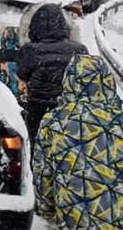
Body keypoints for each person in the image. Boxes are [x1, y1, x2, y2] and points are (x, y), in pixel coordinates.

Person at [33, 55, 123, 229]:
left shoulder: (55, 121)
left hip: (73, 219)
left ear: (69, 80)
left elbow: (43, 174)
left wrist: (48, 211)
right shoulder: (119, 119)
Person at [18, 3, 88, 143]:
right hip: (71, 107)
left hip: (40, 107)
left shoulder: (29, 50)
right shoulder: (80, 50)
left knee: (39, 141)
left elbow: (22, 74)